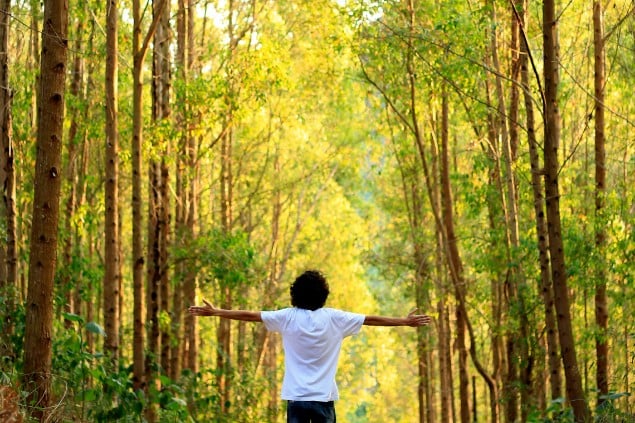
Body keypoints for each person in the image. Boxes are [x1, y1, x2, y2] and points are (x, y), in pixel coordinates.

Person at [188, 269, 432, 423]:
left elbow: (250, 315)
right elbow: (371, 319)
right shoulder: (335, 318)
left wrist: (216, 311)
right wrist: (404, 321)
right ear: (323, 295)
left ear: (295, 294)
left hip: (296, 399)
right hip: (323, 400)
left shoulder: (287, 317)